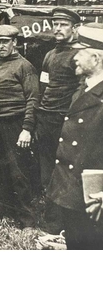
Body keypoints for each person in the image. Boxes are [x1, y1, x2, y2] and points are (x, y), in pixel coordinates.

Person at [0, 25, 40, 229]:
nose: (1, 46)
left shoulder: (25, 66)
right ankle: (1, 212)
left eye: (5, 41)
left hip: (14, 124)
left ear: (15, 43)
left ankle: (26, 218)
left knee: (18, 171)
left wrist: (27, 128)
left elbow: (32, 99)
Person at [47, 23, 103, 249]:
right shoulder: (84, 88)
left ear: (97, 59)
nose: (74, 58)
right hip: (72, 189)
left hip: (93, 195)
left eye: (80, 53)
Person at [35, 7, 81, 234]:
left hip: (67, 120)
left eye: (63, 24)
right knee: (47, 170)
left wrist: (69, 117)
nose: (58, 28)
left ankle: (63, 224)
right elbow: (44, 86)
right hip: (46, 119)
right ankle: (50, 220)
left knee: (65, 171)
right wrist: (40, 113)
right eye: (56, 24)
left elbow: (83, 93)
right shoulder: (50, 55)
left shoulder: (80, 55)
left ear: (75, 28)